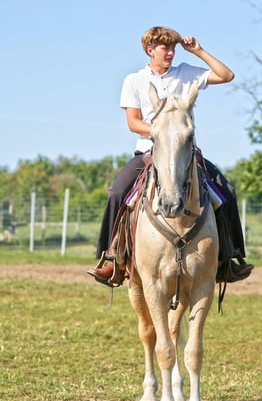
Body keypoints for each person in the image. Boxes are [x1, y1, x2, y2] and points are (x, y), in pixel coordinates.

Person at [88, 26, 253, 286]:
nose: (171, 52)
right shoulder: (134, 80)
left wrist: (198, 51)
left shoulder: (186, 73)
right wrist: (162, 132)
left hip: (188, 155)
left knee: (227, 192)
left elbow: (227, 75)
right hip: (148, 152)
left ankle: (230, 258)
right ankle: (112, 259)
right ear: (150, 50)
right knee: (117, 193)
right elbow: (133, 122)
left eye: (173, 47)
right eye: (165, 47)